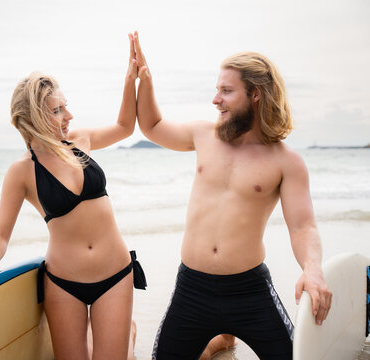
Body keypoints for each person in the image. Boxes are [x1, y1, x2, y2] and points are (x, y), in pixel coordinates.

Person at [131, 32, 332, 359]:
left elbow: (303, 226)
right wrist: (146, 79)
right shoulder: (203, 135)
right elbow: (152, 125)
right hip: (192, 289)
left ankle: (220, 340)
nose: (216, 99)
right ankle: (219, 341)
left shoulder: (286, 161)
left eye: (226, 91)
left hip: (249, 290)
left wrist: (313, 269)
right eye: (216, 90)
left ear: (255, 94)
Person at [0, 33, 146, 360]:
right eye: (58, 110)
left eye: (66, 107)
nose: (68, 117)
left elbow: (125, 126)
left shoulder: (79, 140)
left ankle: (125, 337)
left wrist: (131, 79)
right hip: (63, 284)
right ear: (30, 119)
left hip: (116, 274)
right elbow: (0, 234)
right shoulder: (22, 173)